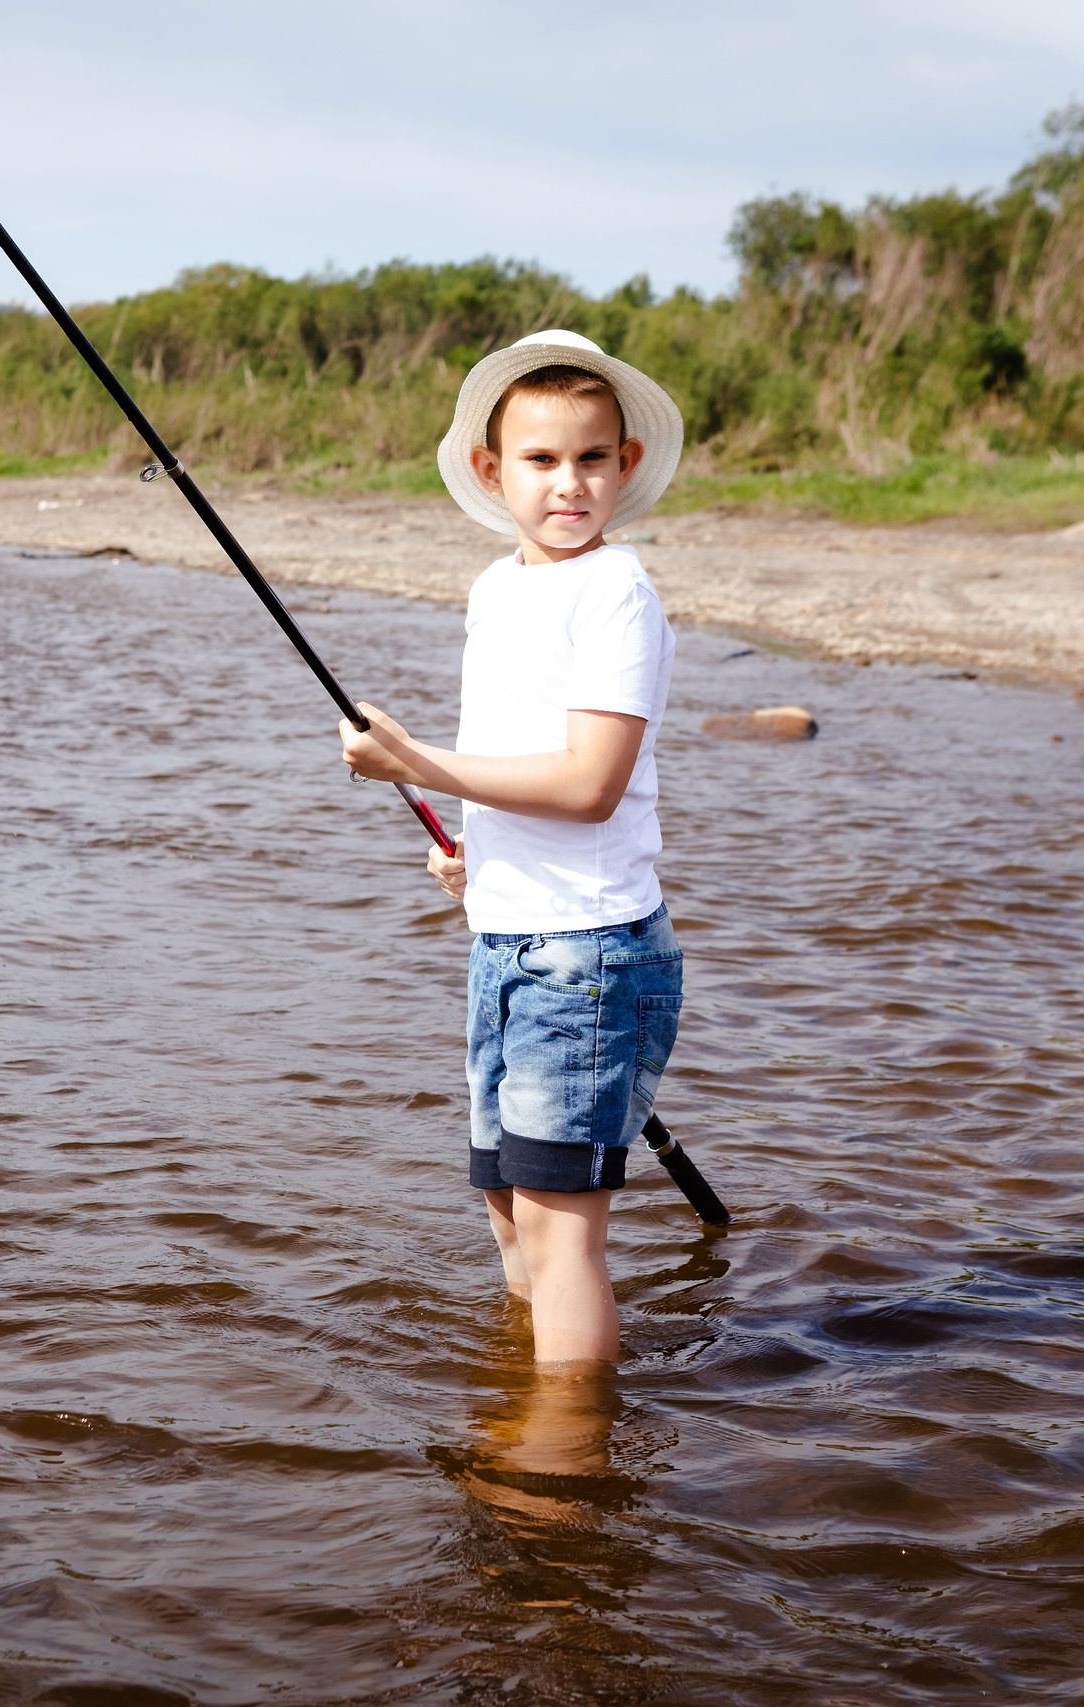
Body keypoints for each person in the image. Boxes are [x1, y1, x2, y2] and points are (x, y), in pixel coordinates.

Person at [339, 329, 683, 1366]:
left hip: (586, 955)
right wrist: (471, 854)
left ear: (625, 465)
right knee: (506, 1207)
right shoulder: (497, 589)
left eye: (590, 458)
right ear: (493, 473)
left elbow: (587, 784)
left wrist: (419, 768)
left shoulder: (616, 590)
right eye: (539, 460)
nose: (567, 484)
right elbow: (513, 759)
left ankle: (564, 1478)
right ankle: (522, 1410)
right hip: (506, 941)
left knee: (559, 1228)